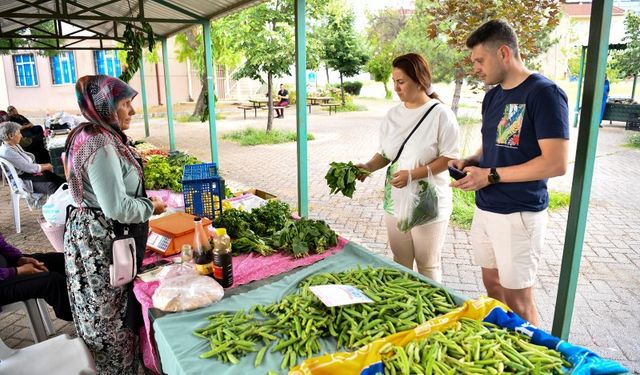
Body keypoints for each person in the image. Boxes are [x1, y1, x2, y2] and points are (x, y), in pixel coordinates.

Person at [450, 20, 569, 325]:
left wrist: (490, 175)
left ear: (503, 52)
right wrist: (471, 161)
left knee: (519, 299)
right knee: (492, 285)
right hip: (486, 208)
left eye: (479, 60)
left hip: (519, 214)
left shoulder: (544, 93)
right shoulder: (494, 96)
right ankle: (503, 347)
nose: (475, 68)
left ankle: (536, 362)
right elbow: (493, 146)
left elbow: (555, 163)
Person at [63, 75, 166, 374]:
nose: (132, 111)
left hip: (96, 237)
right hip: (101, 245)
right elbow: (116, 207)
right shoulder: (98, 142)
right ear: (105, 106)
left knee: (109, 319)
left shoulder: (93, 134)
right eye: (125, 104)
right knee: (111, 325)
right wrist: (151, 206)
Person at [356, 53, 460, 283]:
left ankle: (433, 314)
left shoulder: (441, 114)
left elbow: (450, 158)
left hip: (428, 204)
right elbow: (385, 153)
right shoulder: (393, 115)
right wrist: (367, 167)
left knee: (427, 265)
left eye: (401, 82)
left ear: (420, 80)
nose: (396, 88)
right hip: (396, 202)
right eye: (394, 81)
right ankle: (406, 311)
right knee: (400, 261)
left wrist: (415, 175)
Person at [0, 232, 72, 321]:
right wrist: (17, 271)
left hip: (5, 265)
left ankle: (90, 299)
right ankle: (83, 319)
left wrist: (18, 258)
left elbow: (1, 244)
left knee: (63, 260)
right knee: (52, 282)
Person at [0, 121, 65, 195]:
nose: (21, 136)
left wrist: (42, 167)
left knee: (56, 179)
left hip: (28, 174)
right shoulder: (8, 152)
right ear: (11, 136)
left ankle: (68, 195)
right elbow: (28, 167)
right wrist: (45, 166)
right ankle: (59, 202)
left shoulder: (11, 145)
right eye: (19, 133)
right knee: (51, 185)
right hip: (24, 180)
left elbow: (27, 164)